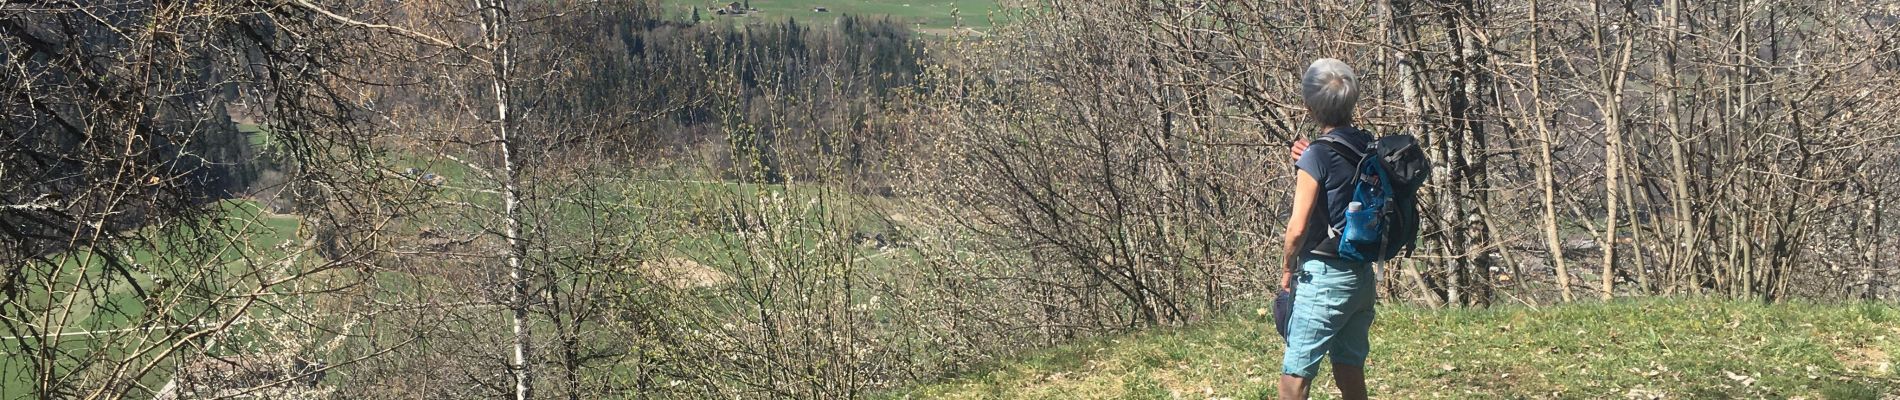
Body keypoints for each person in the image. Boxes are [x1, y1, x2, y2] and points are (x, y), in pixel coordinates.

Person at [1277, 58, 1376, 400]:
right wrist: (1309, 157)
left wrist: (1287, 269)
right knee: (1349, 368)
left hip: (1323, 279)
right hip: (1360, 276)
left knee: (1295, 378)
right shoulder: (1367, 144)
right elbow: (1343, 182)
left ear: (1309, 106)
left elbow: (1297, 227)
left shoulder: (1317, 156)